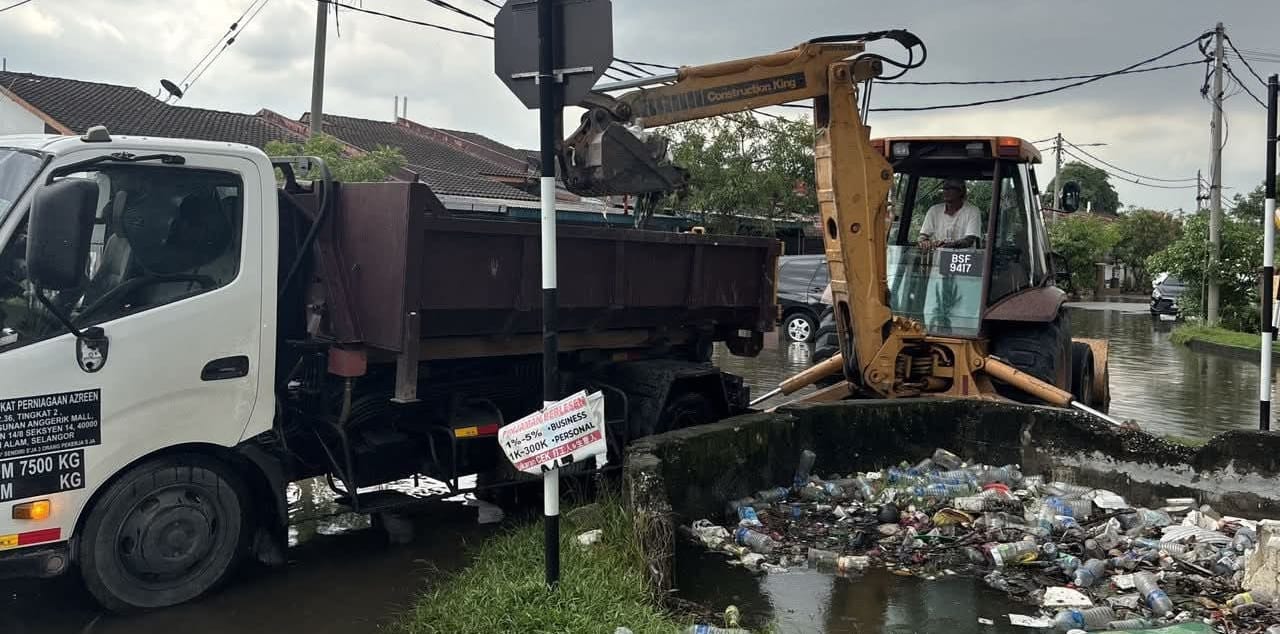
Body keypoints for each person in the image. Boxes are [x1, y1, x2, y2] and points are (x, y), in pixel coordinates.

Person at [918, 178, 982, 250]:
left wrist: (948, 245)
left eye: (950, 188)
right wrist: (925, 242)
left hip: (964, 258)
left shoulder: (972, 211)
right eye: (944, 188)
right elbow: (922, 236)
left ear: (961, 191)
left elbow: (969, 240)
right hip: (938, 256)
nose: (946, 191)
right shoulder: (934, 210)